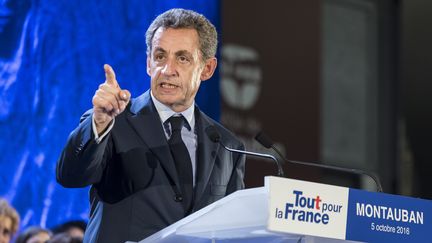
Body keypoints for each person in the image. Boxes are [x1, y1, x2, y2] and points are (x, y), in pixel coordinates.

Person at [56, 8, 245, 243]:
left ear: (207, 69)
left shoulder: (227, 146)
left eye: (182, 58)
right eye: (160, 56)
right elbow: (70, 176)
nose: (167, 70)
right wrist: (100, 122)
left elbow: (235, 231)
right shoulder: (112, 121)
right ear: (148, 63)